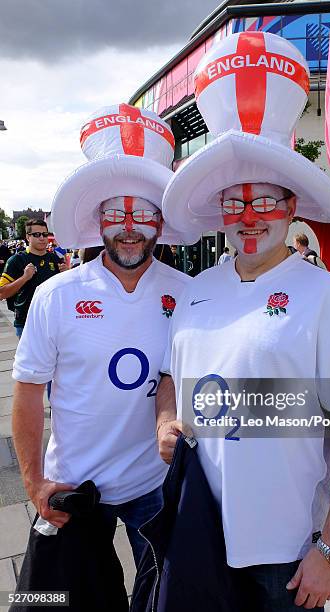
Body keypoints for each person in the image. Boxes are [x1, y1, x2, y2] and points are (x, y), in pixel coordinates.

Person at [157, 32, 330, 611]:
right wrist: (166, 418)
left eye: (264, 200)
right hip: (198, 532)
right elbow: (171, 375)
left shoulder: (326, 296)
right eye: (235, 201)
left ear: (291, 206)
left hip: (286, 556)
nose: (249, 216)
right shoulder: (197, 290)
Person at [11, 104, 197, 602]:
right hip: (74, 486)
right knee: (60, 598)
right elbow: (27, 391)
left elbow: (171, 376)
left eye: (144, 213)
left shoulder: (187, 293)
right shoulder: (57, 294)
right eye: (118, 213)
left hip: (153, 488)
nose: (130, 227)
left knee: (158, 599)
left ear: (160, 222)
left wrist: (167, 422)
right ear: (99, 222)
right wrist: (33, 484)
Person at [0, 219, 67, 337]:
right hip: (26, 322)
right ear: (28, 237)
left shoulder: (55, 259)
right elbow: (2, 293)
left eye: (45, 234)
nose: (42, 238)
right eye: (36, 235)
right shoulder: (17, 260)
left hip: (53, 321)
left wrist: (67, 275)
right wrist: (24, 278)